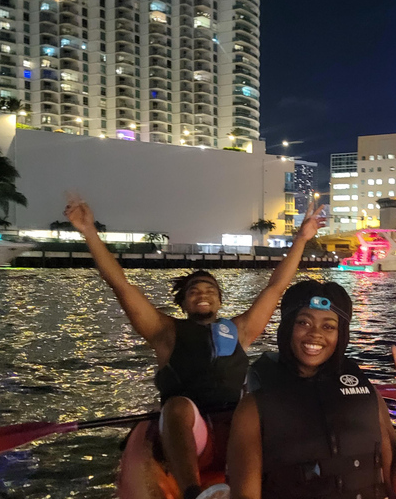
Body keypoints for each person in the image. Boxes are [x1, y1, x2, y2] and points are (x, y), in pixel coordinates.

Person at [64, 198, 325, 499]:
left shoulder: (239, 330)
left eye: (210, 290)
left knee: (275, 397)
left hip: (238, 429)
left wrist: (302, 238)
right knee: (177, 406)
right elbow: (120, 284)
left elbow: (275, 287)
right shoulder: (164, 332)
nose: (203, 294)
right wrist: (89, 232)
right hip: (192, 432)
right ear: (184, 302)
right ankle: (192, 492)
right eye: (194, 291)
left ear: (219, 300)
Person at [227, 280, 396, 499]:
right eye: (303, 323)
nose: (315, 334)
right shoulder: (254, 408)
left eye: (329, 326)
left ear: (340, 335)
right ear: (287, 327)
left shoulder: (366, 395)